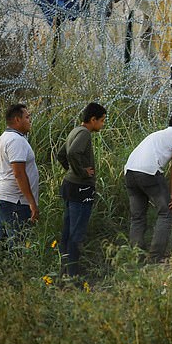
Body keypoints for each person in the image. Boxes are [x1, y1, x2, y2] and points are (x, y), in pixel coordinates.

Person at [124, 111, 172, 262]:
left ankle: (136, 257)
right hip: (148, 172)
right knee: (166, 212)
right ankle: (155, 256)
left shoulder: (157, 134)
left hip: (129, 171)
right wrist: (171, 193)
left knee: (137, 216)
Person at [57, 102, 107, 276]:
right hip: (81, 188)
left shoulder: (74, 131)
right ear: (93, 119)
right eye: (102, 121)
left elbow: (61, 154)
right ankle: (73, 275)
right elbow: (72, 154)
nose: (102, 124)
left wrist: (71, 171)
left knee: (68, 229)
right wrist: (82, 172)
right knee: (77, 233)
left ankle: (64, 269)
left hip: (70, 186)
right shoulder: (85, 133)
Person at [0, 103, 40, 246]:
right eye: (27, 117)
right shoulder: (16, 140)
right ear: (17, 120)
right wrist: (32, 202)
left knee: (5, 248)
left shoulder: (3, 138)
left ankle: (5, 269)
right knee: (18, 247)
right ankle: (18, 269)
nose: (30, 120)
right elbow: (19, 173)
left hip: (4, 199)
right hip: (15, 202)